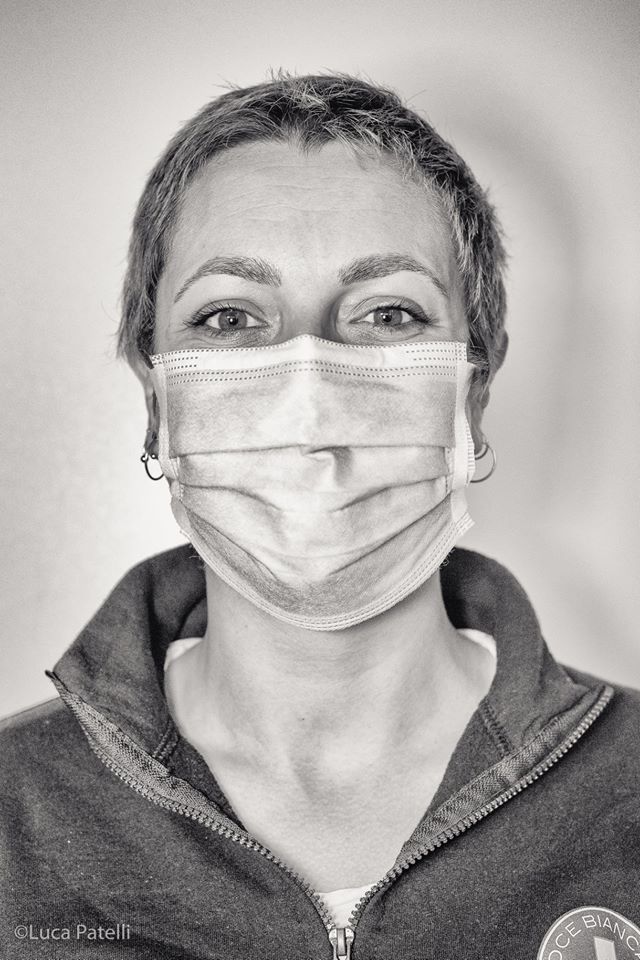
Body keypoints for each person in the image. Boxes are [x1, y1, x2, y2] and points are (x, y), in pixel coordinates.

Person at [1, 73, 638, 960]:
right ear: (156, 401)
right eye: (229, 317)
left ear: (473, 390)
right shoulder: (14, 814)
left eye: (388, 313)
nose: (308, 394)